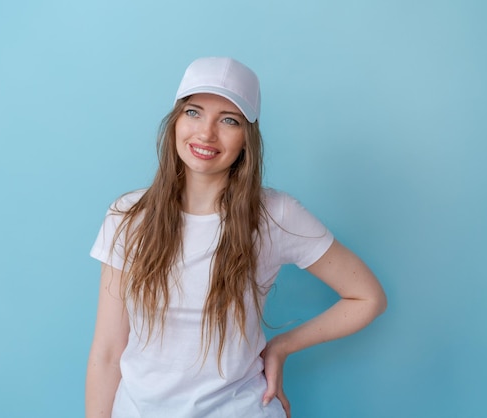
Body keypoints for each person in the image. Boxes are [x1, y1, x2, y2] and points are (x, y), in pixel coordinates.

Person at [85, 57, 387, 418]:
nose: (206, 133)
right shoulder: (129, 216)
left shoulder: (275, 215)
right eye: (194, 112)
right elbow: (106, 352)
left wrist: (282, 346)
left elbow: (367, 297)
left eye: (229, 120)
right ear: (175, 122)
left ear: (248, 138)